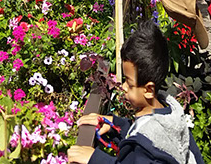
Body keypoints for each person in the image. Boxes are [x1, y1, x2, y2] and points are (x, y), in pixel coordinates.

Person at [68, 11, 204, 163]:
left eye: (129, 82)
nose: (124, 87)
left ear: (148, 90)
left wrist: (94, 158)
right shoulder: (171, 113)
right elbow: (147, 134)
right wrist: (115, 126)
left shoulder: (144, 150)